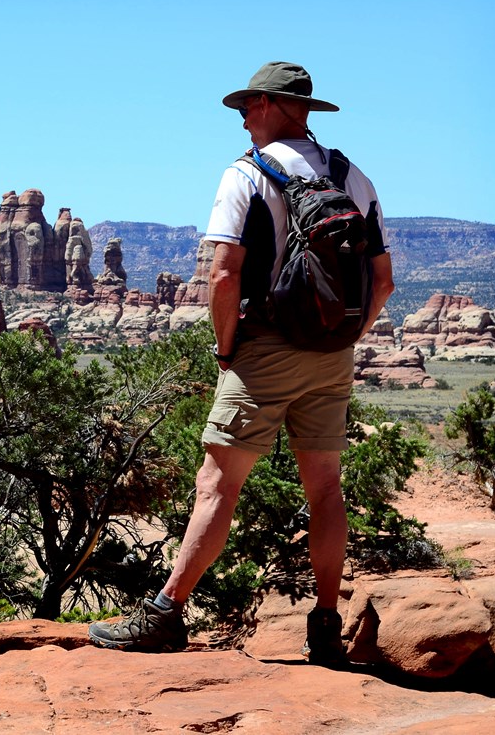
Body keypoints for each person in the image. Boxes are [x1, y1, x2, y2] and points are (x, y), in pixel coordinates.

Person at [88, 62, 395, 665]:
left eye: (248, 105)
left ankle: (165, 615)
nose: (242, 116)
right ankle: (325, 628)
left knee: (217, 485)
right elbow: (382, 282)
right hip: (331, 354)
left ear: (276, 105)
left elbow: (223, 274)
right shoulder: (352, 177)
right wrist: (346, 338)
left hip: (264, 350)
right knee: (326, 489)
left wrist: (228, 349)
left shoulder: (247, 175)